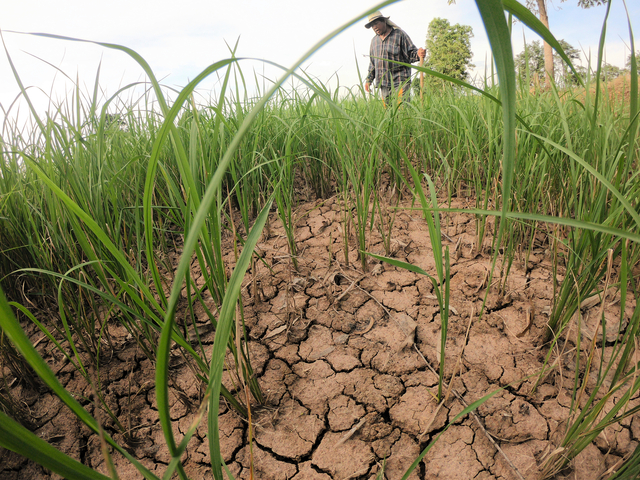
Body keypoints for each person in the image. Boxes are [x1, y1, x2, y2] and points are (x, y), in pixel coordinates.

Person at [364, 11, 426, 105]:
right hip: (384, 83)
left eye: (376, 23)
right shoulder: (374, 41)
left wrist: (418, 53)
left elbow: (411, 54)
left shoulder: (399, 34)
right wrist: (369, 80)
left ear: (384, 21)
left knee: (402, 113)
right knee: (389, 116)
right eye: (372, 25)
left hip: (400, 81)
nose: (374, 27)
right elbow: (373, 63)